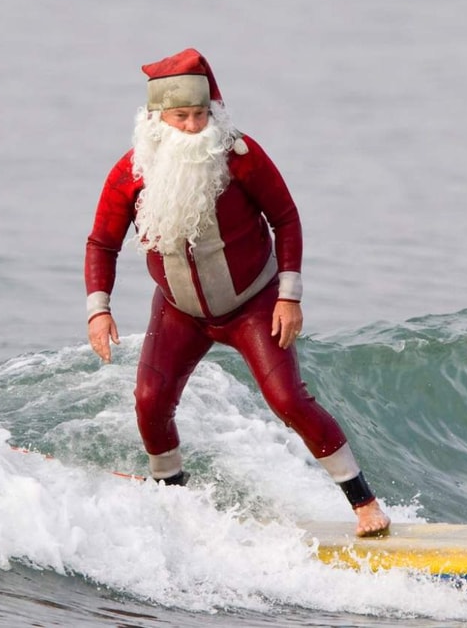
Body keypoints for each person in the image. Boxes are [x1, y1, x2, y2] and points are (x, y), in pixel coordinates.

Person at [84, 48, 390, 537]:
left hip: (254, 302)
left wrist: (289, 294)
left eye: (200, 115)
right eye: (180, 116)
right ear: (156, 119)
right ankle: (172, 496)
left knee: (288, 399)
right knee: (149, 398)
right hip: (180, 310)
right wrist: (99, 309)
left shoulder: (238, 156)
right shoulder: (131, 172)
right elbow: (102, 241)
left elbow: (285, 218)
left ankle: (364, 504)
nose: (191, 126)